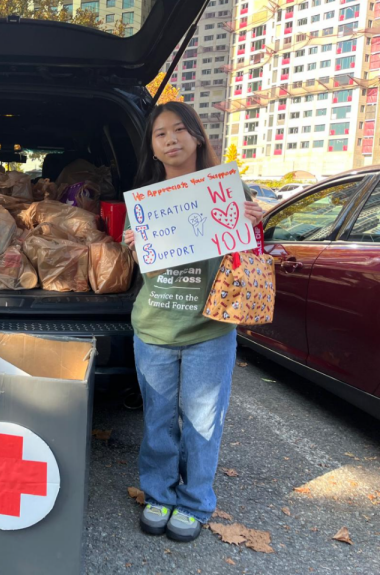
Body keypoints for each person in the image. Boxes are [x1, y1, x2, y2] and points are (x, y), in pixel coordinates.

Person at [123, 102, 264, 542]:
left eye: (180, 129)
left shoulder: (228, 189)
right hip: (155, 327)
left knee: (203, 424)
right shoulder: (144, 202)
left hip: (210, 328)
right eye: (160, 133)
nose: (171, 139)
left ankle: (195, 502)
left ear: (198, 136)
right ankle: (159, 494)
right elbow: (146, 269)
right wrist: (134, 245)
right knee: (158, 421)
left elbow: (245, 258)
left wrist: (254, 226)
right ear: (152, 147)